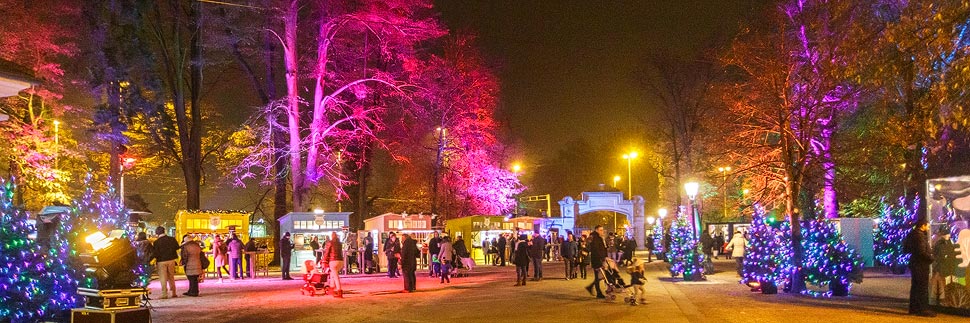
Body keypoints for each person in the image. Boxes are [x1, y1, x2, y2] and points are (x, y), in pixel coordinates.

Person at [904, 220, 935, 317]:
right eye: (928, 226)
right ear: (923, 225)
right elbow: (921, 251)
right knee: (922, 287)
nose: (929, 228)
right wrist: (931, 258)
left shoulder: (913, 234)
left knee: (916, 286)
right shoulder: (919, 236)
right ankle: (922, 309)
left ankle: (914, 308)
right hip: (921, 264)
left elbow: (907, 248)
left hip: (915, 263)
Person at [932, 228, 959, 302]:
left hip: (946, 266)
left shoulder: (947, 241)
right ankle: (942, 298)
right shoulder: (942, 243)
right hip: (944, 266)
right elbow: (940, 254)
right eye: (948, 234)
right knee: (943, 282)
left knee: (945, 281)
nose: (949, 235)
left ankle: (944, 297)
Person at [152, 226, 179, 299]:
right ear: (164, 231)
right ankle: (174, 292)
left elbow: (155, 253)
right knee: (171, 276)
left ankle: (164, 294)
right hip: (171, 260)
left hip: (161, 261)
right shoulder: (172, 239)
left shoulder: (156, 242)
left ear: (157, 233)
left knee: (163, 277)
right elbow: (177, 247)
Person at [585, 226, 608, 298]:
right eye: (601, 230)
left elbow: (602, 248)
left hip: (599, 258)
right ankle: (598, 292)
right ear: (597, 230)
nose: (602, 231)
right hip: (597, 259)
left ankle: (591, 287)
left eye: (602, 230)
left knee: (600, 276)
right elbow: (596, 249)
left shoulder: (599, 237)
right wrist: (602, 257)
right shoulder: (595, 238)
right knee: (599, 275)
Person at [323, 232, 344, 298]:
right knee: (333, 274)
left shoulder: (330, 242)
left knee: (335, 276)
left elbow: (327, 253)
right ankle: (332, 288)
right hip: (340, 261)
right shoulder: (340, 243)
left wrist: (324, 260)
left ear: (332, 236)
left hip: (333, 261)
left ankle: (339, 291)